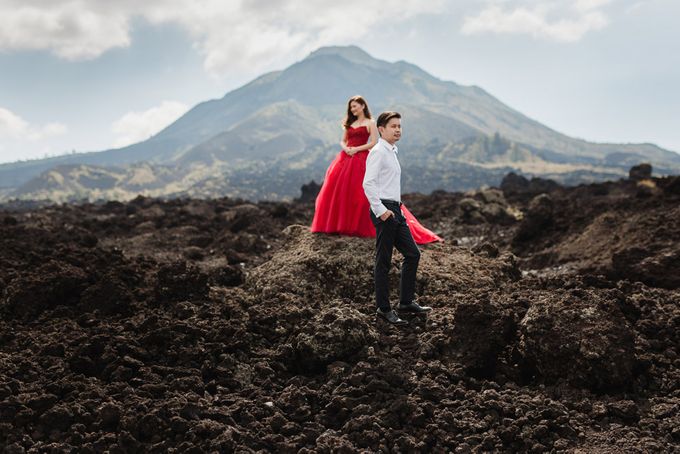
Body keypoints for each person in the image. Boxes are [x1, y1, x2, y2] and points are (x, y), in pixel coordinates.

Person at [311, 96, 441, 244]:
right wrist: (346, 148)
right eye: (351, 107)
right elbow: (343, 139)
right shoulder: (350, 123)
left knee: (362, 193)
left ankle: (368, 225)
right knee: (341, 192)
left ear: (362, 106)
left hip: (360, 158)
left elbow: (373, 142)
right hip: (345, 158)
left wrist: (356, 149)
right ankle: (339, 224)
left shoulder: (371, 122)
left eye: (355, 106)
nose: (353, 109)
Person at [363, 111, 432, 325]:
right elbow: (368, 183)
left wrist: (395, 210)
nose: (398, 129)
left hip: (396, 210)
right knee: (382, 261)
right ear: (381, 129)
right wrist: (380, 210)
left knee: (412, 254)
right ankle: (384, 309)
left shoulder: (392, 151)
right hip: (385, 211)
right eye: (393, 126)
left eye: (400, 126)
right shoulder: (378, 152)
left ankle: (405, 302)